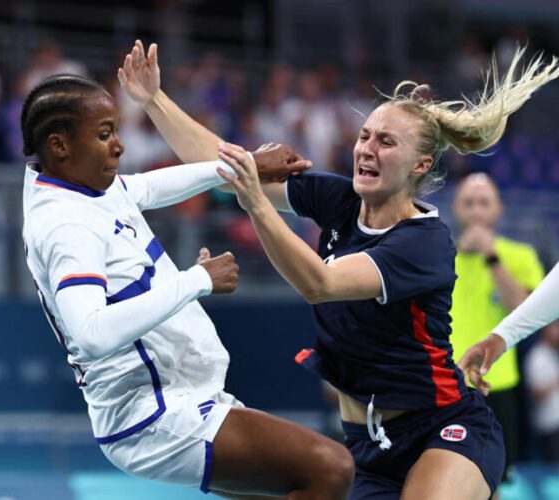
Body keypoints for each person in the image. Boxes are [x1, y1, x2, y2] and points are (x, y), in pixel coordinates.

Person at [118, 39, 559, 499]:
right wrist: (154, 100)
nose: (367, 148)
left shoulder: (423, 243)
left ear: (420, 164)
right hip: (367, 448)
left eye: (386, 142)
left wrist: (253, 200)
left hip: (444, 427)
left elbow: (320, 283)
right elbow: (225, 164)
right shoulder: (340, 200)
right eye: (365, 135)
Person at [21, 73, 354, 498]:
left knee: (296, 482)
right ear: (59, 145)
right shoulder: (65, 224)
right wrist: (197, 280)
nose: (119, 145)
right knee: (331, 468)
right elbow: (92, 333)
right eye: (105, 134)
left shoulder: (82, 185)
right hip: (150, 415)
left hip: (176, 395)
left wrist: (243, 165)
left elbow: (144, 188)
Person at [448, 172, 544, 483]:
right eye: (469, 203)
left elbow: (526, 311)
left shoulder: (520, 256)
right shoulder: (439, 257)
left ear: (498, 209)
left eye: (484, 203)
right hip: (448, 386)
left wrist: (491, 256)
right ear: (456, 208)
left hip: (498, 384)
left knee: (497, 480)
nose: (476, 211)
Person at [523, 320, 559, 463]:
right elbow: (535, 395)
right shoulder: (536, 356)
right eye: (556, 327)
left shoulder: (554, 354)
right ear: (546, 329)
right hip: (549, 425)